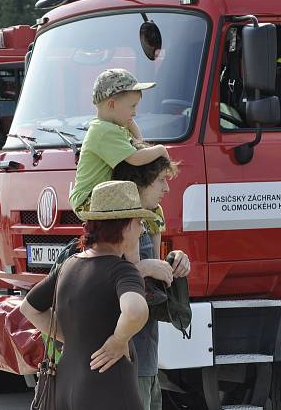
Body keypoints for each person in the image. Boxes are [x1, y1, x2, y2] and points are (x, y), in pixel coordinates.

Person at [21, 180, 153, 410]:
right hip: (109, 390)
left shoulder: (68, 265)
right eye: (139, 223)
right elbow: (136, 310)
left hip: (65, 386)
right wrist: (118, 340)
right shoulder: (121, 270)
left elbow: (29, 308)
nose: (142, 230)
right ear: (124, 226)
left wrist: (73, 337)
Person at [113, 153, 191, 410]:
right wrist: (145, 267)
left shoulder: (147, 219)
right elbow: (107, 277)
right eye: (160, 180)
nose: (167, 188)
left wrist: (175, 261)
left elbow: (151, 280)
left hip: (146, 354)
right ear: (139, 183)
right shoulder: (121, 225)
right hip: (130, 358)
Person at [69, 68, 170, 217]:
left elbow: (138, 142)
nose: (135, 112)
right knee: (145, 210)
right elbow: (135, 158)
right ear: (111, 105)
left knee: (152, 210)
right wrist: (161, 149)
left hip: (102, 194)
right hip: (88, 199)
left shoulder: (112, 128)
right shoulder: (104, 131)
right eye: (132, 106)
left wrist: (129, 121)